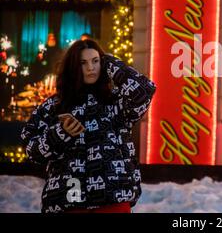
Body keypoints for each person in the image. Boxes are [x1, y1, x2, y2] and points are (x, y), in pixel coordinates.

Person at [21, 39, 156, 213]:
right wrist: (60, 133)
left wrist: (110, 62)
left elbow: (145, 90)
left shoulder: (117, 102)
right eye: (83, 63)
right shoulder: (53, 106)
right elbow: (32, 151)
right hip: (70, 197)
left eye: (95, 61)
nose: (90, 68)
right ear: (73, 68)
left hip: (113, 196)